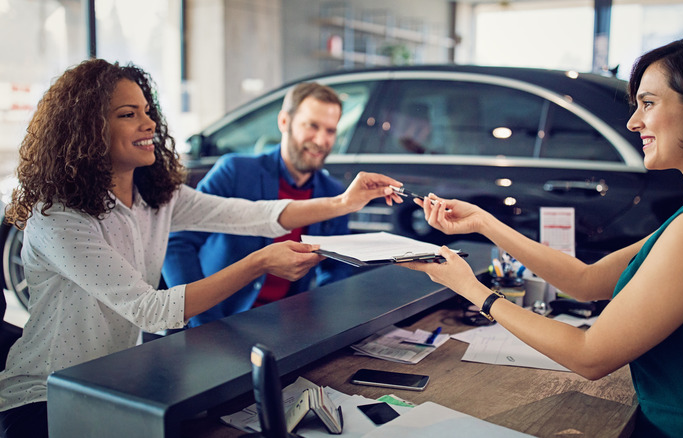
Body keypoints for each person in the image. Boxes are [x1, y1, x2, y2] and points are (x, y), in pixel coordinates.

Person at [0, 59, 402, 438]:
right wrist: (260, 261)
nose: (149, 122)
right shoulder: (58, 216)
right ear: (87, 131)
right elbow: (151, 309)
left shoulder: (155, 197)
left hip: (112, 382)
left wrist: (342, 203)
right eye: (129, 114)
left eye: (146, 110)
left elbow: (251, 215)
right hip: (44, 397)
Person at [402, 36, 683, 437]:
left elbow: (590, 356)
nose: (634, 121)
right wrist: (484, 222)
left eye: (648, 104)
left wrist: (473, 290)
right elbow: (587, 281)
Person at [163, 82, 352, 328]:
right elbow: (177, 244)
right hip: (219, 319)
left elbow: (336, 270)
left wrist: (322, 322)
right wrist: (202, 321)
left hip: (286, 325)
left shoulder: (334, 195)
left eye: (330, 131)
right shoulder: (235, 172)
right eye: (312, 126)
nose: (321, 140)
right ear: (284, 122)